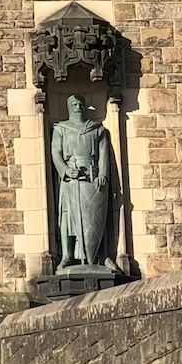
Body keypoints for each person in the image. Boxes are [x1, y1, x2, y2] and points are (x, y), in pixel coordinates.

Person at [51, 94, 113, 268]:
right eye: (74, 103)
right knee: (66, 216)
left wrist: (103, 173)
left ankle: (102, 254)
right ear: (69, 107)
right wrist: (65, 170)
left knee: (96, 216)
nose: (78, 106)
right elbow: (55, 152)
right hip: (71, 179)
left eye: (80, 103)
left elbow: (103, 154)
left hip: (92, 178)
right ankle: (67, 255)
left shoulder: (96, 129)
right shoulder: (61, 129)